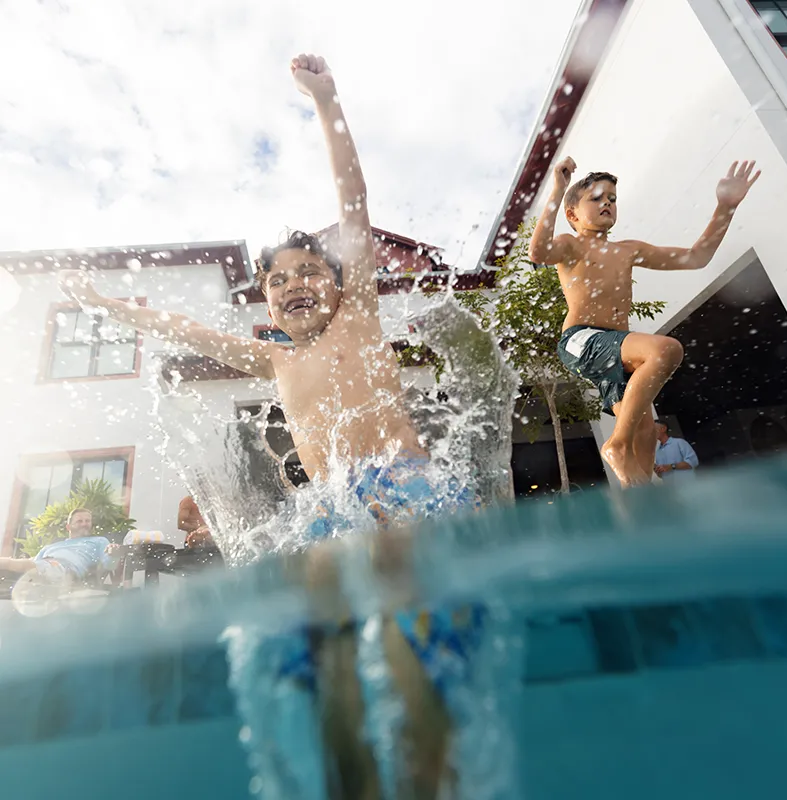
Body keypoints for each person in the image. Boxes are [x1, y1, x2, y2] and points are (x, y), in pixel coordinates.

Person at [57, 53, 480, 798]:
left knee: (416, 644)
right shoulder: (274, 360)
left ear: (342, 281)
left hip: (405, 492)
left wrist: (325, 101)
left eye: (309, 271)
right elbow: (181, 326)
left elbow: (354, 198)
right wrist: (110, 306)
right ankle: (355, 775)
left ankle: (433, 768)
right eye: (277, 279)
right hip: (330, 510)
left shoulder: (361, 318)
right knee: (323, 651)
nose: (294, 285)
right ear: (265, 301)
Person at [530, 156, 760, 487]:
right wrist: (557, 189)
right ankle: (617, 445)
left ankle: (641, 512)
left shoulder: (629, 250)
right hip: (582, 341)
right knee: (666, 350)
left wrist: (725, 207)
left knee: (647, 437)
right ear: (572, 214)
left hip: (617, 354)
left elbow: (696, 257)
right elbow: (538, 252)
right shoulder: (571, 244)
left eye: (611, 198)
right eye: (596, 198)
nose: (607, 203)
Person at [0, 508, 115, 585]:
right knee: (20, 567)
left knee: (13, 565)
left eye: (87, 521)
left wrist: (114, 553)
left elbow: (109, 564)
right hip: (46, 566)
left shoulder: (99, 541)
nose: (84, 524)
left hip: (67, 570)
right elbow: (35, 562)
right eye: (79, 521)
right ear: (68, 527)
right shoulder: (51, 547)